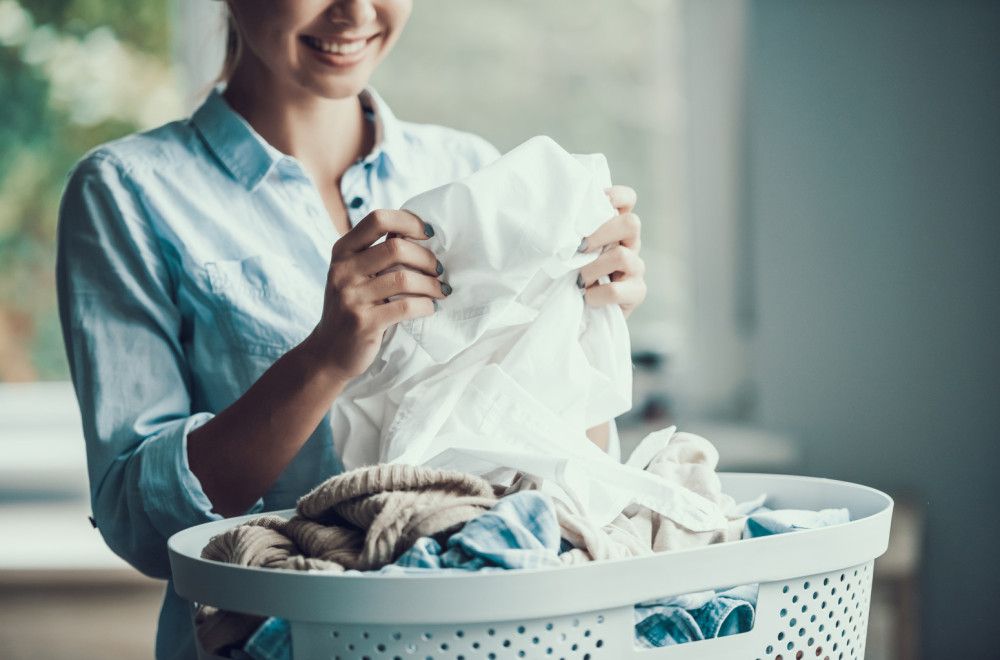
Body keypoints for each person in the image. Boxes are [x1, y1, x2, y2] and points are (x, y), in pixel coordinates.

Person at [56, 1, 647, 658]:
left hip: (482, 640)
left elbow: (565, 483)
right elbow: (140, 526)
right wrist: (324, 360)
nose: (356, 11)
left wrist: (584, 323)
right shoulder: (127, 193)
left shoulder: (476, 171)